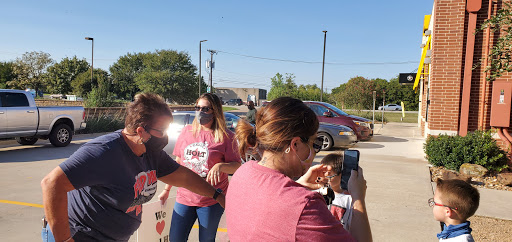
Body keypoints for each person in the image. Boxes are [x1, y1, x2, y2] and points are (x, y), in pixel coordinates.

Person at [40, 93, 225, 242]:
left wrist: (216, 195)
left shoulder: (152, 152)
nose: (165, 137)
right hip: (80, 235)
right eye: (161, 131)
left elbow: (184, 177)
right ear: (140, 131)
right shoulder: (103, 152)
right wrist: (64, 239)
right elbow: (51, 183)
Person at [227, 96, 372, 242]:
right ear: (295, 144)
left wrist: (297, 186)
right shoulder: (306, 205)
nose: (316, 150)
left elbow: (267, 206)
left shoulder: (242, 173)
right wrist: (357, 198)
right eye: (314, 142)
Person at [158, 93, 241, 242]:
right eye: (198, 108)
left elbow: (236, 166)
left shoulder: (227, 137)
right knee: (176, 238)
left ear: (215, 111)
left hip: (212, 200)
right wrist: (166, 190)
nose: (200, 112)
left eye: (205, 108)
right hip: (185, 197)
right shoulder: (187, 132)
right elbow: (177, 165)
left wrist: (220, 166)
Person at [320, 153, 353, 231]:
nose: (325, 176)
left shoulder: (349, 199)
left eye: (329, 173)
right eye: (323, 172)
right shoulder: (318, 193)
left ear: (342, 175)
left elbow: (353, 226)